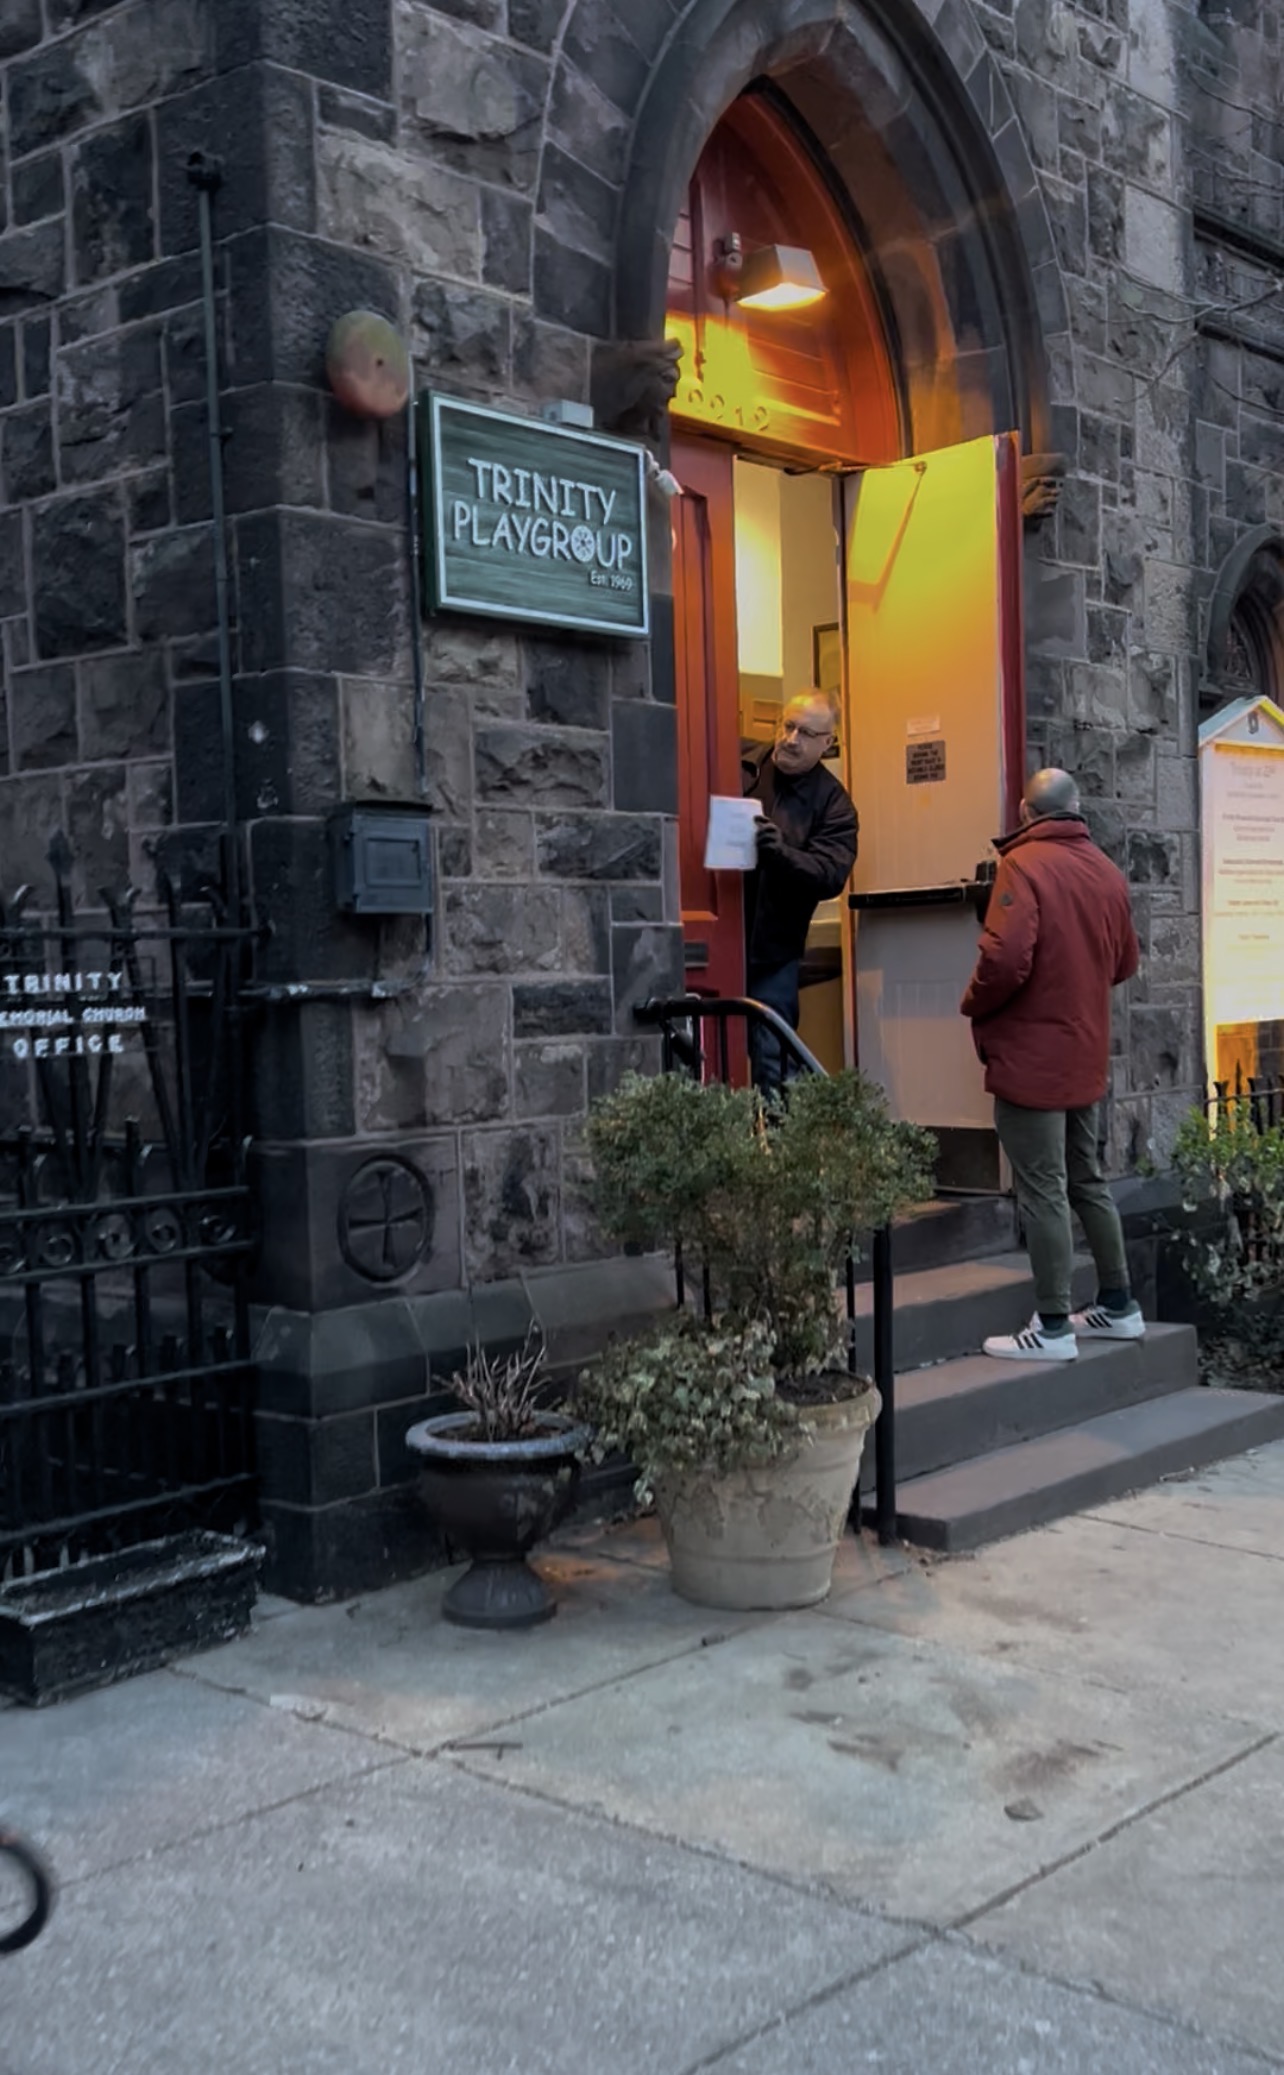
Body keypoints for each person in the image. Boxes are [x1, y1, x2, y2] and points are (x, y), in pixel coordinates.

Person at [960, 766, 1143, 1362]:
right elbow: (1124, 962)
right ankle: (1119, 1305)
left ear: (1025, 811)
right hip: (1084, 1051)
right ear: (1077, 808)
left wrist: (972, 1002)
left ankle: (1054, 1326)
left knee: (1043, 1189)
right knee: (1086, 1178)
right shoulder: (1107, 871)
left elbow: (1004, 959)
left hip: (1032, 1056)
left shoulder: (1023, 866)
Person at [742, 691, 859, 1098]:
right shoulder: (740, 762)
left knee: (772, 1058)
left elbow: (830, 874)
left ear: (828, 742)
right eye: (788, 726)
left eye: (807, 733)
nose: (792, 740)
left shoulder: (833, 804)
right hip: (715, 936)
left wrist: (782, 854)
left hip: (774, 950)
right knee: (697, 1044)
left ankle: (774, 1132)